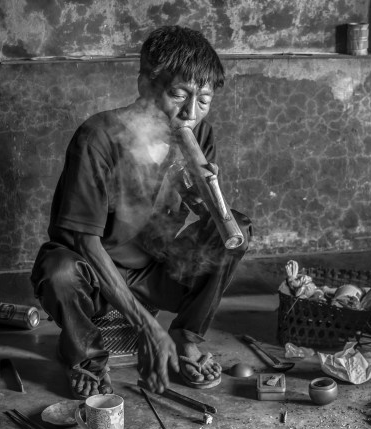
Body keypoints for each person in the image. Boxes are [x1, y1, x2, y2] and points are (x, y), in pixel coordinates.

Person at [30, 25, 252, 399]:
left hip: (156, 269)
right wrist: (148, 328)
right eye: (178, 94)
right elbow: (84, 243)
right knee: (59, 270)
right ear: (145, 84)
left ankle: (184, 336)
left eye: (203, 100)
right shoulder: (98, 137)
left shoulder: (200, 135)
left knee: (237, 229)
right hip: (94, 273)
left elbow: (205, 219)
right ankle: (85, 358)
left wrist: (204, 199)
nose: (189, 113)